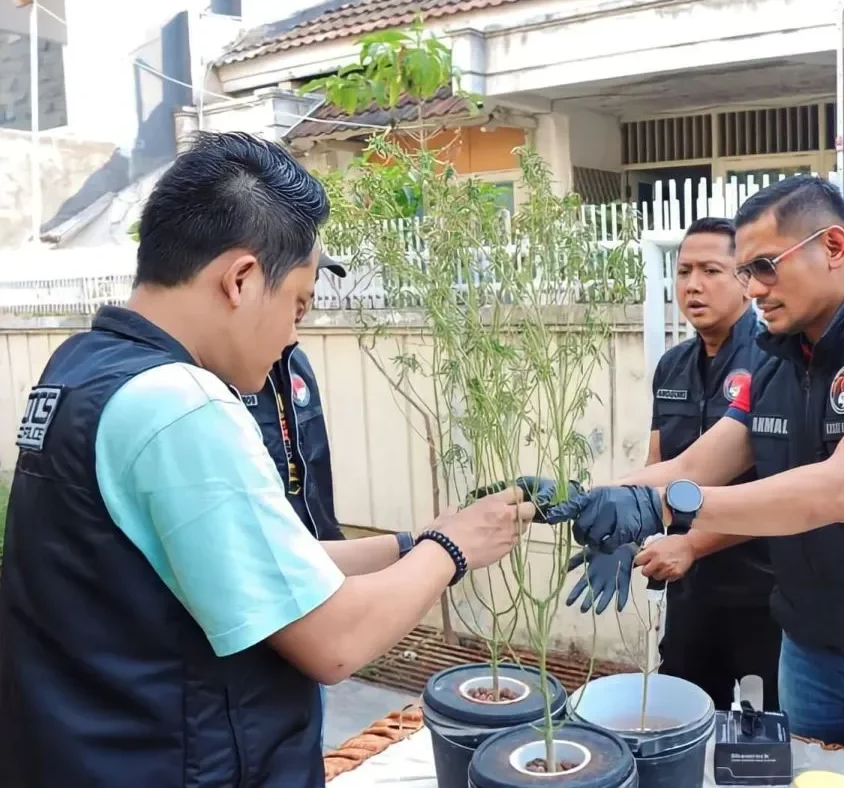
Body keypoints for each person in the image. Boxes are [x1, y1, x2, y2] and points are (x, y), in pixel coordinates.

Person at [0, 131, 536, 787]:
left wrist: (409, 542)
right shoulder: (179, 404)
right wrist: (449, 552)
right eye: (298, 304)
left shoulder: (84, 368)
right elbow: (333, 642)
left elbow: (259, 566)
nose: (292, 335)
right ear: (243, 278)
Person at [547, 175, 844, 771]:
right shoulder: (772, 366)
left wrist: (666, 508)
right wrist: (580, 500)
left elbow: (839, 490)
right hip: (809, 655)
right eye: (745, 272)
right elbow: (691, 465)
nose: (754, 288)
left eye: (764, 266)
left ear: (833, 247)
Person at [567, 217, 780, 712]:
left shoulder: (774, 363)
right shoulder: (673, 364)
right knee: (683, 714)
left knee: (758, 737)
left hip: (758, 593)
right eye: (683, 271)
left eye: (711, 270)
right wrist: (620, 531)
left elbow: (778, 488)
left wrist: (692, 543)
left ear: (745, 279)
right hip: (688, 591)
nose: (693, 285)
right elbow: (661, 461)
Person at [247, 250, 349, 543]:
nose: (308, 299)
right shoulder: (225, 372)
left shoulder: (296, 362)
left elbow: (314, 463)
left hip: (319, 550)